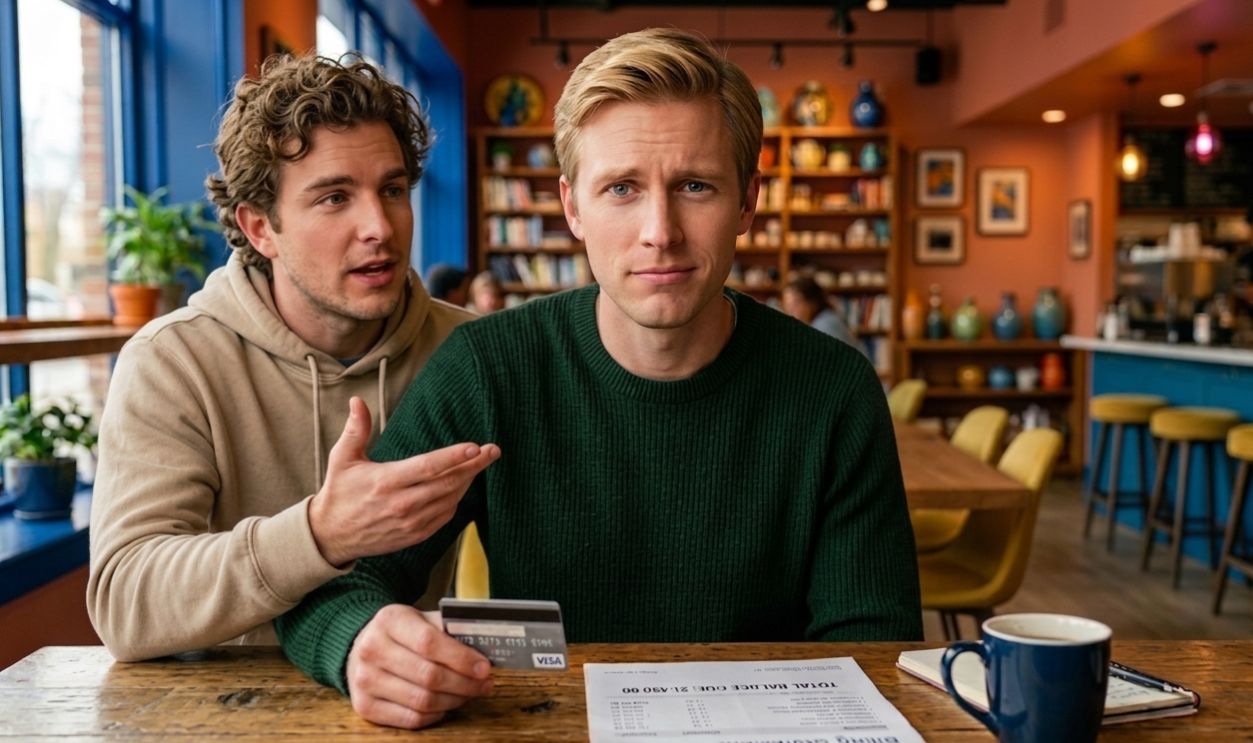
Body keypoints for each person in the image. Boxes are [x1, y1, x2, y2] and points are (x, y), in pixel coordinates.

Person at [276, 28, 921, 730]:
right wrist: (359, 643)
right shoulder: (490, 367)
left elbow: (874, 650)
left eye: (695, 186)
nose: (659, 231)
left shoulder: (833, 388)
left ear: (746, 202)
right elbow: (334, 586)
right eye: (620, 188)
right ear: (572, 207)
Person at [86, 54, 500, 662]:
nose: (379, 227)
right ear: (260, 229)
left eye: (391, 190)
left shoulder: (470, 352)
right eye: (335, 198)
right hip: (224, 710)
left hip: (413, 697)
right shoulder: (172, 360)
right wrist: (319, 534)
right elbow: (126, 602)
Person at [781, 274, 870, 359]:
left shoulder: (825, 324)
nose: (790, 310)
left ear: (812, 302)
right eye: (787, 304)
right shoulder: (822, 320)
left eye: (796, 303)